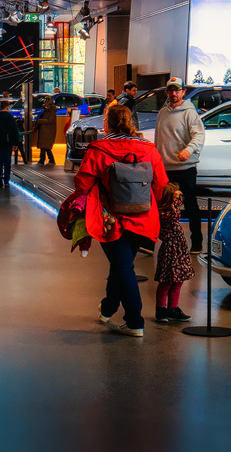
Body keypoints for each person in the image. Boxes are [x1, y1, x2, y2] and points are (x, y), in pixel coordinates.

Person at [71, 103, 167, 337]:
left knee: (123, 266)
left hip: (110, 219)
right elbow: (161, 183)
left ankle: (135, 321)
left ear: (107, 124)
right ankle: (108, 307)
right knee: (121, 265)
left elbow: (82, 183)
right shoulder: (150, 150)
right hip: (143, 218)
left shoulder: (99, 150)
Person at [153, 77, 208, 252]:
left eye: (177, 90)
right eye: (170, 90)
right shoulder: (163, 113)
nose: (173, 93)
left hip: (185, 169)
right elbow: (159, 140)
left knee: (191, 206)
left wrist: (189, 150)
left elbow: (199, 135)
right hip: (165, 168)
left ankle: (197, 242)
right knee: (160, 206)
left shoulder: (189, 113)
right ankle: (152, 241)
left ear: (183, 92)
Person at [152, 183, 193, 324]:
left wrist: (176, 196)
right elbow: (174, 213)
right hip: (170, 251)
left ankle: (173, 308)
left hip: (179, 250)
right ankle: (161, 309)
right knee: (166, 282)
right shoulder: (166, 213)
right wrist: (175, 199)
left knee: (178, 280)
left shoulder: (171, 210)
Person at [0, 100, 22, 186]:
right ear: (7, 107)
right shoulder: (10, 118)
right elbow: (15, 131)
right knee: (7, 161)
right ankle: (6, 180)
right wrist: (15, 143)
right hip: (8, 142)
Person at [35, 102, 58, 166]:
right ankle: (51, 160)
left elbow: (49, 120)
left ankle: (42, 160)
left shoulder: (52, 111)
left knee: (43, 146)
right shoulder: (46, 111)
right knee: (46, 147)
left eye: (45, 102)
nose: (44, 103)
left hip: (48, 132)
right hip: (44, 131)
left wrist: (39, 121)